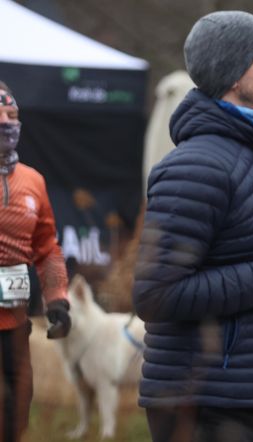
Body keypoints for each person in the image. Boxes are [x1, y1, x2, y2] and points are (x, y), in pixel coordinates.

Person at [131, 11, 253, 442]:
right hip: (195, 403)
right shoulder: (195, 167)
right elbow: (156, 295)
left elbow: (245, 272)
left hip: (245, 397)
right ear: (232, 73)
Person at [0, 81, 71, 441]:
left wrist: (57, 299)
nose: (6, 124)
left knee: (17, 417)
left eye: (12, 116)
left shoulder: (33, 181)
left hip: (14, 328)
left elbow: (47, 248)